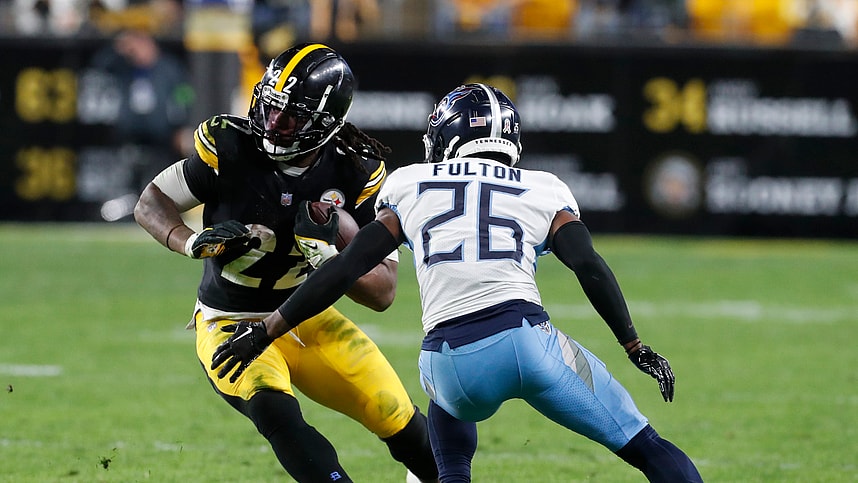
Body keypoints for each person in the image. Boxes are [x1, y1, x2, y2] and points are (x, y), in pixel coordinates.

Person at [210, 83, 705, 482]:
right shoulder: (543, 187)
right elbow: (588, 265)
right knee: (646, 446)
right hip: (525, 340)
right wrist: (633, 344)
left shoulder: (409, 183)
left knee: (448, 463)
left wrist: (268, 328)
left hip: (446, 362)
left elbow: (345, 269)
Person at [133, 43, 439, 483]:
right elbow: (151, 201)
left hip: (308, 317)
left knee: (396, 416)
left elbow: (383, 291)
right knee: (277, 414)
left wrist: (326, 254)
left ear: (326, 124)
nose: (274, 122)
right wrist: (189, 240)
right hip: (229, 321)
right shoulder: (229, 145)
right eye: (271, 106)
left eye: (291, 115)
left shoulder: (355, 170)